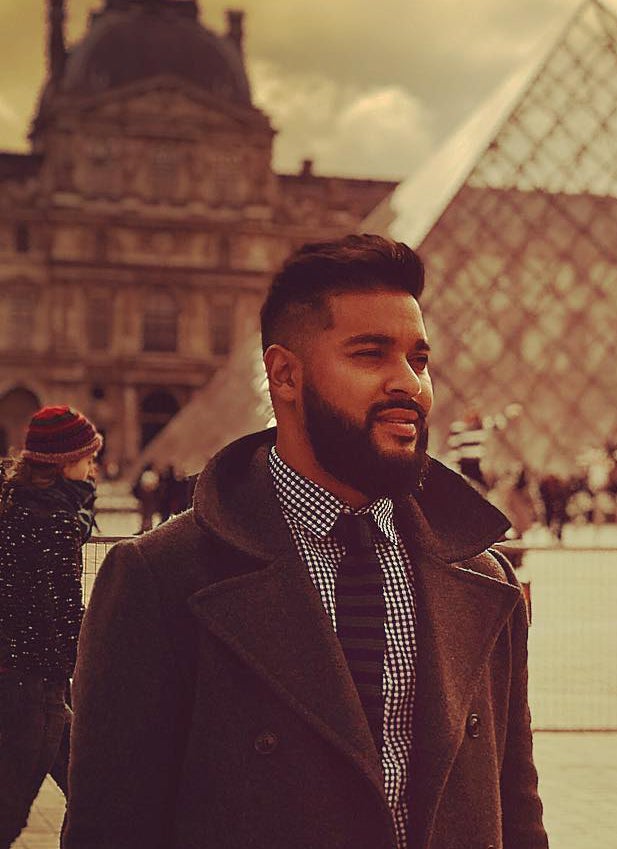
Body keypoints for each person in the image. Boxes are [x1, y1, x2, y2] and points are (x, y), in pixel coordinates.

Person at [63, 235, 547, 849]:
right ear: (285, 375)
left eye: (419, 360)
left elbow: (517, 807)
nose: (410, 384)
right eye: (371, 354)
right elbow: (112, 828)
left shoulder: (485, 578)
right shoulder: (159, 579)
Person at [0, 405, 101, 847]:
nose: (94, 465)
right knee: (10, 805)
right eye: (88, 457)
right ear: (64, 462)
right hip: (36, 682)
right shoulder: (56, 520)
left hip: (21, 673)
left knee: (89, 786)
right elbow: (62, 606)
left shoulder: (13, 505)